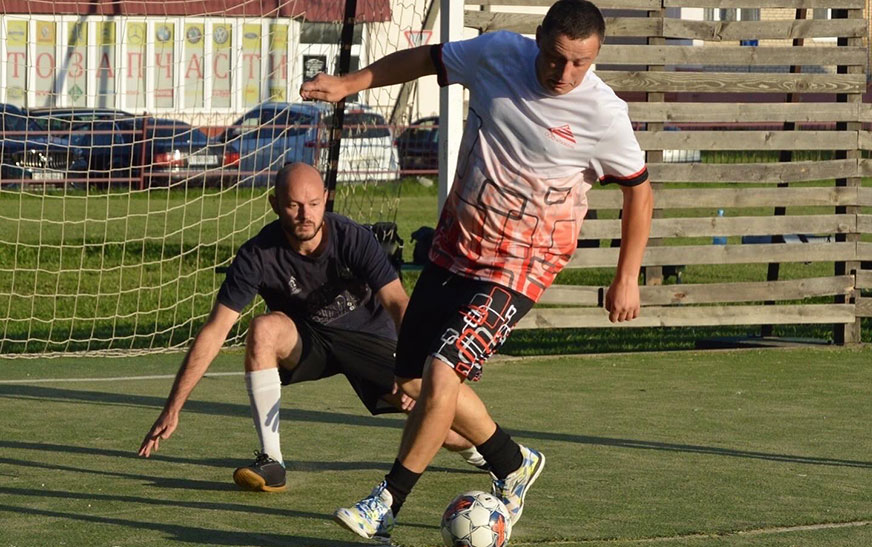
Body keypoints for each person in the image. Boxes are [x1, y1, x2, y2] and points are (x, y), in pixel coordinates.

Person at [299, 0, 654, 541]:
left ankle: (387, 503)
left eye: (581, 63)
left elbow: (640, 192)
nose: (566, 74)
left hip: (519, 268)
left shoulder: (604, 115)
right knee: (414, 385)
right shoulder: (496, 55)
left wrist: (628, 275)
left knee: (444, 373)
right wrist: (351, 84)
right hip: (453, 249)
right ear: (539, 38)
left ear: (596, 56)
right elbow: (424, 60)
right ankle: (512, 463)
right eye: (557, 59)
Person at [138, 162, 488, 492]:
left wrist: (412, 369)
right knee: (263, 329)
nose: (306, 215)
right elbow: (215, 331)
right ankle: (272, 462)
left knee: (443, 426)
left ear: (325, 201)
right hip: (311, 341)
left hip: (370, 337)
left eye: (314, 203)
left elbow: (397, 302)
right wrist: (173, 406)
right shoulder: (257, 254)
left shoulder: (352, 237)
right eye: (294, 205)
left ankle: (485, 453)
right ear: (274, 204)